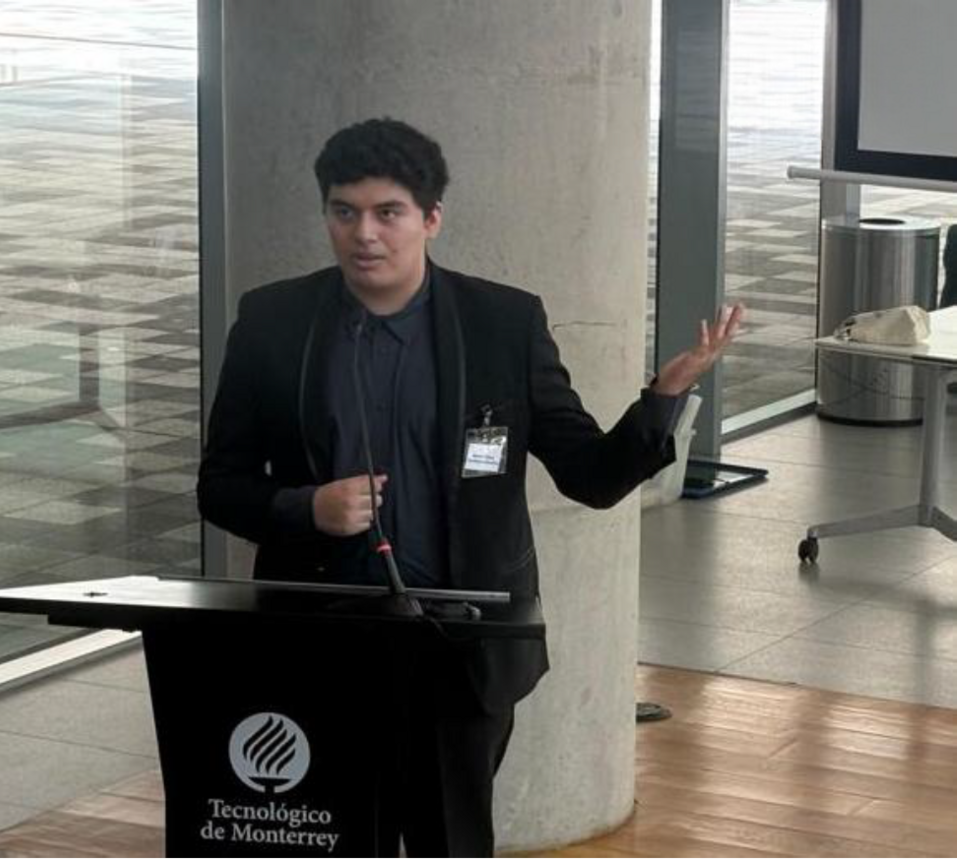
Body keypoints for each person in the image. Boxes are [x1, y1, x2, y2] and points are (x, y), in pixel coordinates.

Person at [197, 117, 742, 856]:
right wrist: (306, 507)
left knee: (449, 842)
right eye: (344, 211)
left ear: (431, 218)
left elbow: (589, 476)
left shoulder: (502, 323)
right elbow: (220, 487)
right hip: (322, 641)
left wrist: (663, 398)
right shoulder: (273, 321)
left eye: (388, 212)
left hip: (462, 645)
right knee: (326, 842)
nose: (364, 234)